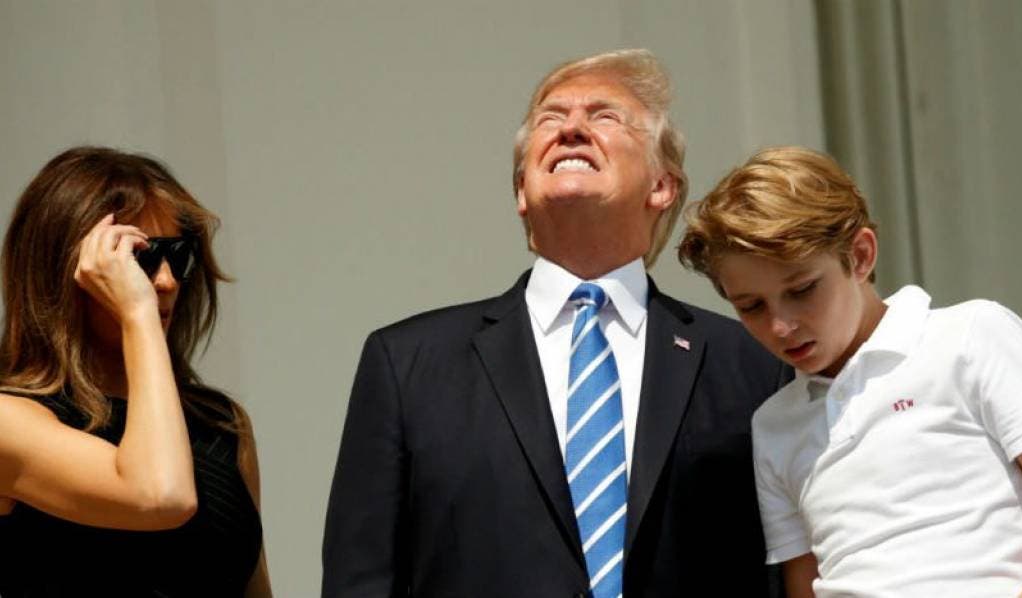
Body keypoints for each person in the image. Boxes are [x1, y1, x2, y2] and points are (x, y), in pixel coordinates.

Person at [323, 49, 787, 597]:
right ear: (521, 190)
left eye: (604, 115)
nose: (571, 128)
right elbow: (361, 579)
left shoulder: (753, 363)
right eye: (551, 118)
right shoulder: (407, 364)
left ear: (662, 186)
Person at [678, 145, 1022, 597]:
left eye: (802, 290)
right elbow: (804, 584)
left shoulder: (971, 336)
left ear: (860, 255)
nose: (781, 325)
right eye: (751, 306)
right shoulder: (774, 423)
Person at [0, 146, 272, 597]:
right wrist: (138, 314)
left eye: (178, 255)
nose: (166, 281)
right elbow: (161, 496)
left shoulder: (221, 424)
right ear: (69, 268)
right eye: (139, 258)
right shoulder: (10, 421)